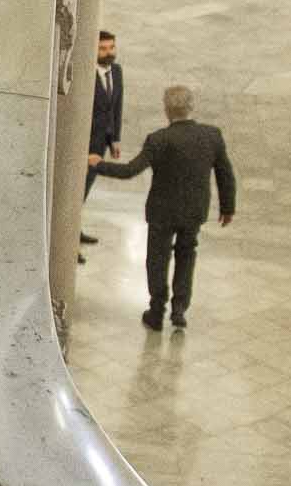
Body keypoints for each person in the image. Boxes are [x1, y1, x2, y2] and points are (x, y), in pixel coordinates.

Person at [90, 82, 236, 330]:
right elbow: (225, 173)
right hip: (194, 210)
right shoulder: (212, 135)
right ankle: (179, 310)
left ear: (167, 110)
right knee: (187, 255)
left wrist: (98, 163)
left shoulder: (159, 139)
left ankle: (157, 310)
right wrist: (227, 207)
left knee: (157, 259)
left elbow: (129, 171)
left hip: (162, 212)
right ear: (192, 107)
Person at [82, 29, 123, 250]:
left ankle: (74, 231)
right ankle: (68, 240)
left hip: (101, 143)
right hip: (85, 145)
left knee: (85, 191)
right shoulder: (86, 75)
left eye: (111, 47)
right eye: (103, 48)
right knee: (76, 191)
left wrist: (115, 138)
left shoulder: (116, 71)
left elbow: (116, 106)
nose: (109, 53)